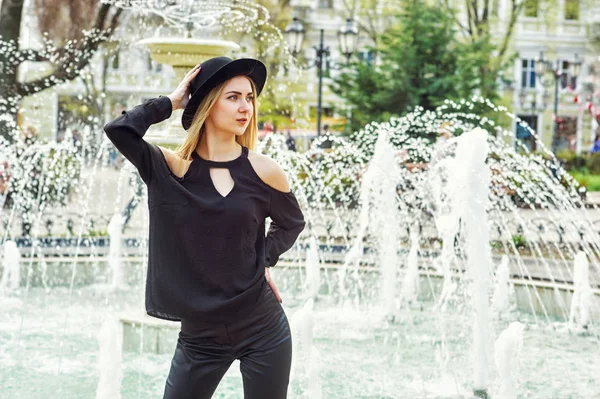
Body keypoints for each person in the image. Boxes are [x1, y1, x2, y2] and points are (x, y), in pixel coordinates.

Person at [104, 57, 306, 399]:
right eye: (233, 97)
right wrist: (171, 101)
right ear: (207, 104)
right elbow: (119, 130)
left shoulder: (265, 170)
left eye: (250, 98)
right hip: (201, 337)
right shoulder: (170, 169)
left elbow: (292, 223)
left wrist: (263, 261)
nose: (246, 107)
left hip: (263, 327)